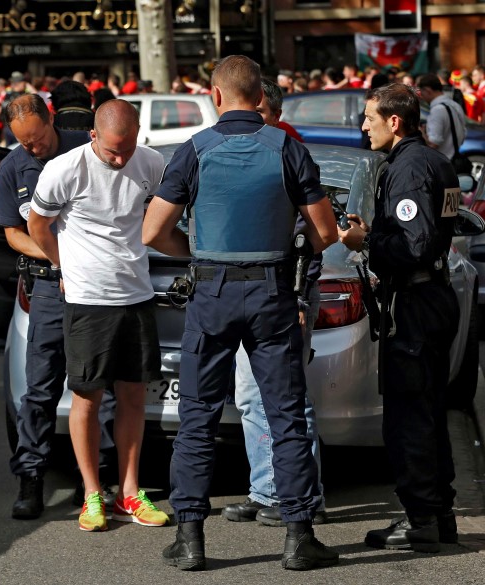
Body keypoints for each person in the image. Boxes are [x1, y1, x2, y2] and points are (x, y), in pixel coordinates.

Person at [142, 55, 338, 571]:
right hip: (272, 292)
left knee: (197, 418)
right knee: (285, 414)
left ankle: (189, 540)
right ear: (261, 96)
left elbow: (152, 231)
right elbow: (324, 233)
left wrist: (198, 250)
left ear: (216, 95)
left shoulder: (194, 151)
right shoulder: (287, 148)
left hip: (211, 292)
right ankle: (298, 538)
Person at [28, 99, 170, 532]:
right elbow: (37, 225)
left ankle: (130, 491)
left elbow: (162, 217)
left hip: (137, 295)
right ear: (93, 135)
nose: (121, 158)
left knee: (131, 397)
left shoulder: (152, 162)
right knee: (87, 399)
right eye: (112, 151)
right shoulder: (64, 169)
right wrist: (62, 267)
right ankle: (92, 493)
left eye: (127, 148)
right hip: (88, 300)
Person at [337, 83, 460, 553]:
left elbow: (414, 245)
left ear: (394, 121)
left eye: (369, 117)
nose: (362, 125)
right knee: (428, 410)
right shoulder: (434, 161)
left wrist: (363, 242)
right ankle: (437, 514)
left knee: (410, 416)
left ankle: (422, 519)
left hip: (414, 304)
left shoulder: (407, 168)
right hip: (431, 298)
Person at [0, 94, 116, 520]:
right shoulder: (13, 167)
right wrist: (59, 260)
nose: (34, 148)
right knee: (40, 386)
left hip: (95, 286)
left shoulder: (87, 147)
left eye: (38, 138)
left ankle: (100, 479)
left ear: (52, 120)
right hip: (49, 287)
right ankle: (31, 476)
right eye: (24, 143)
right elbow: (14, 231)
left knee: (97, 383)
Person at [222, 77, 327, 528]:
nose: (250, 125)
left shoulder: (288, 155)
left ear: (274, 115)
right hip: (251, 294)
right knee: (250, 398)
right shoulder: (247, 154)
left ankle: (302, 497)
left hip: (285, 294)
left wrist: (301, 297)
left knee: (287, 400)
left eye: (258, 115)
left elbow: (314, 238)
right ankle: (267, 489)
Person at [416, 74, 467, 164]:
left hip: (442, 163)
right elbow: (463, 133)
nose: (422, 97)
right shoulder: (455, 105)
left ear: (428, 91)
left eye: (422, 93)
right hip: (454, 159)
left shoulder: (437, 110)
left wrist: (421, 132)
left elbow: (433, 143)